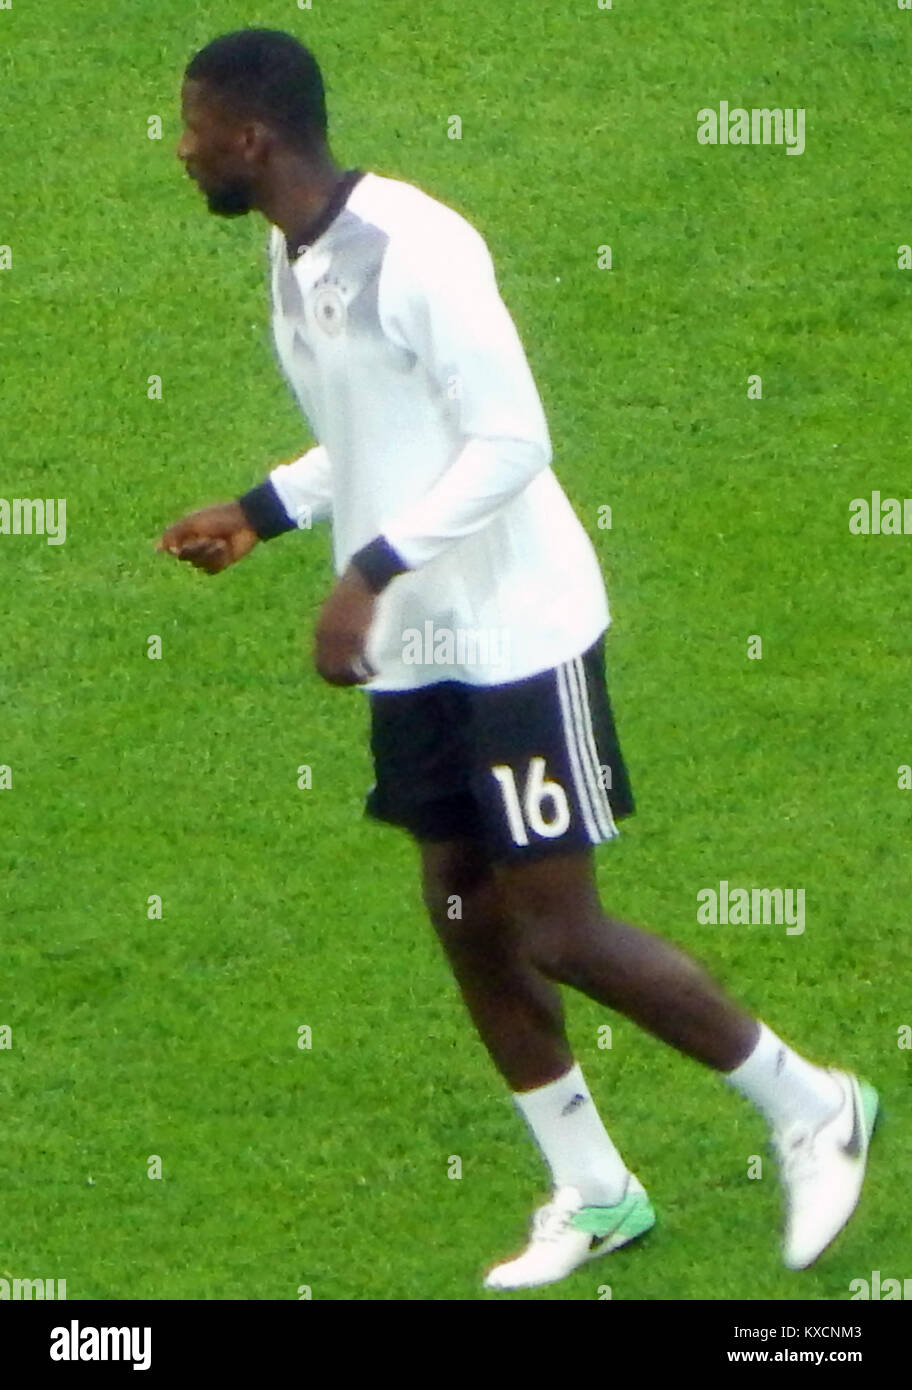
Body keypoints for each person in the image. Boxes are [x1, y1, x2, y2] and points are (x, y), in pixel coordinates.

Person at [159, 28, 878, 1290]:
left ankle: (812, 1101)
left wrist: (366, 575)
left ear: (253, 137)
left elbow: (509, 439)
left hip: (514, 631)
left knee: (557, 925)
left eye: (194, 128)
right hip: (423, 647)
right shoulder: (294, 248)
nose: (182, 150)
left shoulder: (418, 249)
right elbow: (377, 426)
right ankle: (596, 1190)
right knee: (462, 910)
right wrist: (261, 512)